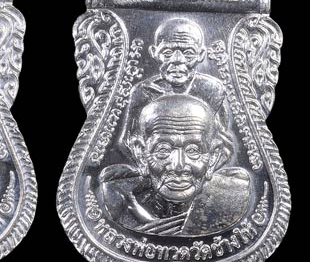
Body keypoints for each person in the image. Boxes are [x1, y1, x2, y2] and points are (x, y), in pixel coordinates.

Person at [101, 94, 250, 236]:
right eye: (163, 150)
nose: (178, 166)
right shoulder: (118, 198)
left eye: (193, 151)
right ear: (141, 154)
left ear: (213, 157)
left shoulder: (232, 197)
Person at [119, 18, 229, 159]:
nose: (177, 59)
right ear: (154, 53)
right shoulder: (144, 91)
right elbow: (126, 141)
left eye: (188, 53)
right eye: (167, 52)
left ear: (200, 55)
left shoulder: (211, 90)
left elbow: (222, 143)